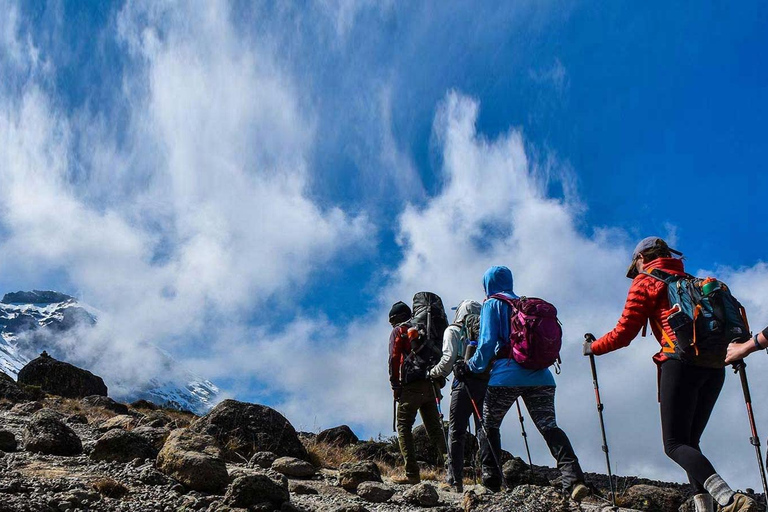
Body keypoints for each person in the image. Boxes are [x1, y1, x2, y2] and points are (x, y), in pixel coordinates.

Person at [585, 237, 757, 512]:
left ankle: (729, 499)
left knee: (674, 444)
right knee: (690, 442)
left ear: (640, 259)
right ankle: (706, 508)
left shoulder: (647, 281)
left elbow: (624, 332)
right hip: (714, 366)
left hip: (679, 363)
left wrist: (593, 347)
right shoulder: (689, 279)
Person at [461, 265, 588, 501]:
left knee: (489, 423)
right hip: (542, 376)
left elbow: (487, 344)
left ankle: (491, 480)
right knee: (548, 425)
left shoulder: (492, 303)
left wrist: (470, 367)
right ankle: (574, 478)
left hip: (505, 376)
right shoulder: (526, 305)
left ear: (488, 283)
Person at [388, 300, 448, 484]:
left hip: (411, 386)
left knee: (404, 427)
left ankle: (412, 474)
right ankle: (453, 469)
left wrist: (395, 385)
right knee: (435, 428)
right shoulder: (425, 329)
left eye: (391, 320)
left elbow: (394, 358)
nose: (391, 324)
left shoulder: (399, 331)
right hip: (432, 383)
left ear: (396, 318)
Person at [427, 299, 484, 492]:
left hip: (463, 382)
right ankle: (490, 478)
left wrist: (432, 373)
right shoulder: (485, 329)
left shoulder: (453, 330)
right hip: (486, 382)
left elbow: (448, 360)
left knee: (456, 431)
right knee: (484, 430)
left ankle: (454, 480)